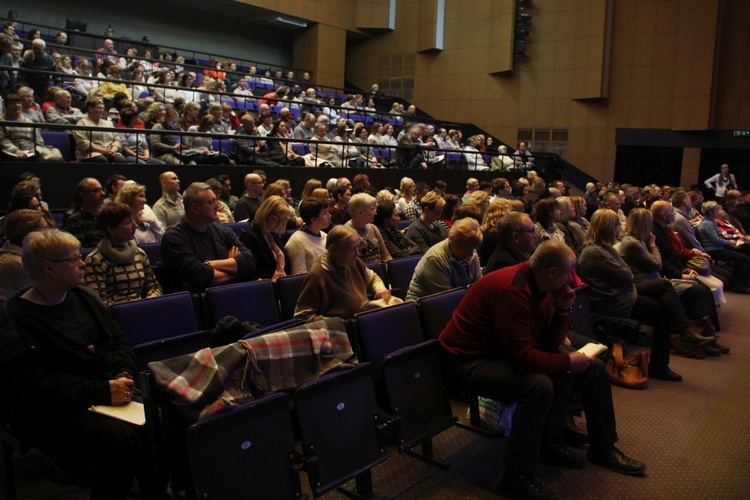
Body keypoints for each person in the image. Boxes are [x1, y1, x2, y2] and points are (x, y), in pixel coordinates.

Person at [440, 240, 646, 499]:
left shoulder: (542, 284)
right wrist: (567, 362)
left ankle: (600, 447)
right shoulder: (513, 290)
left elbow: (550, 342)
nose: (571, 280)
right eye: (568, 273)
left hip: (499, 352)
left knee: (592, 368)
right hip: (466, 361)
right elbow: (524, 360)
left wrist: (562, 310)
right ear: (552, 272)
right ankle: (516, 478)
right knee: (539, 386)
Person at [0, 229, 144, 499]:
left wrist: (124, 372)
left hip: (106, 392)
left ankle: (152, 489)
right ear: (48, 268)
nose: (82, 262)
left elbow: (118, 341)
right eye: (74, 258)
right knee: (118, 437)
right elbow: (34, 384)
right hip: (57, 409)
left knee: (160, 416)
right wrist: (102, 390)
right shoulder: (15, 316)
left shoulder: (84, 297)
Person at [577, 209, 684, 381]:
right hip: (614, 301)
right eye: (616, 225)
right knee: (661, 312)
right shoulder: (595, 252)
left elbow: (626, 272)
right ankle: (663, 362)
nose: (619, 228)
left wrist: (626, 272)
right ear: (607, 228)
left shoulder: (605, 248)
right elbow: (628, 274)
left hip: (623, 293)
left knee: (663, 290)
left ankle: (680, 331)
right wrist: (628, 271)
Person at [161, 182, 256, 293]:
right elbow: (200, 277)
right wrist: (235, 268)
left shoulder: (222, 230)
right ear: (195, 208)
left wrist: (208, 264)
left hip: (230, 295)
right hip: (197, 303)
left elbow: (249, 261)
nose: (217, 206)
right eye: (211, 202)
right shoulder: (173, 238)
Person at [294, 225, 399, 321]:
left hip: (362, 321)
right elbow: (302, 316)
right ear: (334, 250)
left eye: (357, 248)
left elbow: (372, 278)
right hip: (340, 332)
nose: (357, 253)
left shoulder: (353, 262)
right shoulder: (318, 276)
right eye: (352, 249)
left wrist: (380, 290)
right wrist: (336, 323)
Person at [84, 202, 163, 306]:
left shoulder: (139, 253)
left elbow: (154, 286)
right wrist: (127, 309)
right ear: (111, 229)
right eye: (128, 223)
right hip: (114, 317)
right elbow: (98, 301)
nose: (135, 226)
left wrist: (149, 301)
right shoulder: (96, 259)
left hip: (143, 309)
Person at [405, 218, 483, 301]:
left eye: (473, 249)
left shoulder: (469, 249)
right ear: (454, 244)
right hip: (425, 306)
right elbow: (447, 299)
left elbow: (479, 286)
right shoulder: (435, 259)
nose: (471, 254)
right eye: (468, 251)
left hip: (456, 301)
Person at [697, 201, 750, 294]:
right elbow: (716, 240)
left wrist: (734, 238)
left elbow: (721, 235)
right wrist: (730, 242)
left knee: (745, 251)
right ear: (711, 212)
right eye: (717, 210)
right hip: (713, 250)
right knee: (745, 259)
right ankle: (738, 285)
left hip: (718, 247)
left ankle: (740, 282)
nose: (721, 212)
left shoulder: (710, 221)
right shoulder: (707, 224)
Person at [238, 196, 291, 282]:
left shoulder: (274, 236)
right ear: (265, 214)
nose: (280, 223)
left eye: (284, 220)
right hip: (265, 286)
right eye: (276, 218)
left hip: (283, 284)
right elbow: (250, 271)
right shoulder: (249, 237)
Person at [0, 209, 47, 301]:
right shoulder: (16, 263)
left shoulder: (27, 256)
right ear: (29, 235)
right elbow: (41, 299)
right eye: (45, 229)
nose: (49, 233)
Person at [285, 198, 330, 275]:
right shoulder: (297, 242)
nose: (329, 215)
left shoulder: (325, 236)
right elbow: (299, 277)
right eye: (325, 213)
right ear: (313, 220)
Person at [73, 98, 125, 163]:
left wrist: (113, 149)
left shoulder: (108, 123)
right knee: (101, 160)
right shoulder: (82, 123)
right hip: (90, 154)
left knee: (120, 159)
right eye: (99, 108)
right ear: (90, 108)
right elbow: (84, 143)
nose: (102, 110)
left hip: (110, 152)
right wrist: (103, 151)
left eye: (103, 108)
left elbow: (116, 139)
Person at [345, 193, 392, 264]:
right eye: (372, 209)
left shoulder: (373, 228)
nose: (375, 213)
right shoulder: (345, 232)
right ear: (360, 212)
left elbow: (385, 255)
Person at [63, 178, 106, 248]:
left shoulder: (106, 216)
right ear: (84, 195)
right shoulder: (74, 220)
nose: (102, 193)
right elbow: (81, 250)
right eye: (96, 191)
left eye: (102, 189)